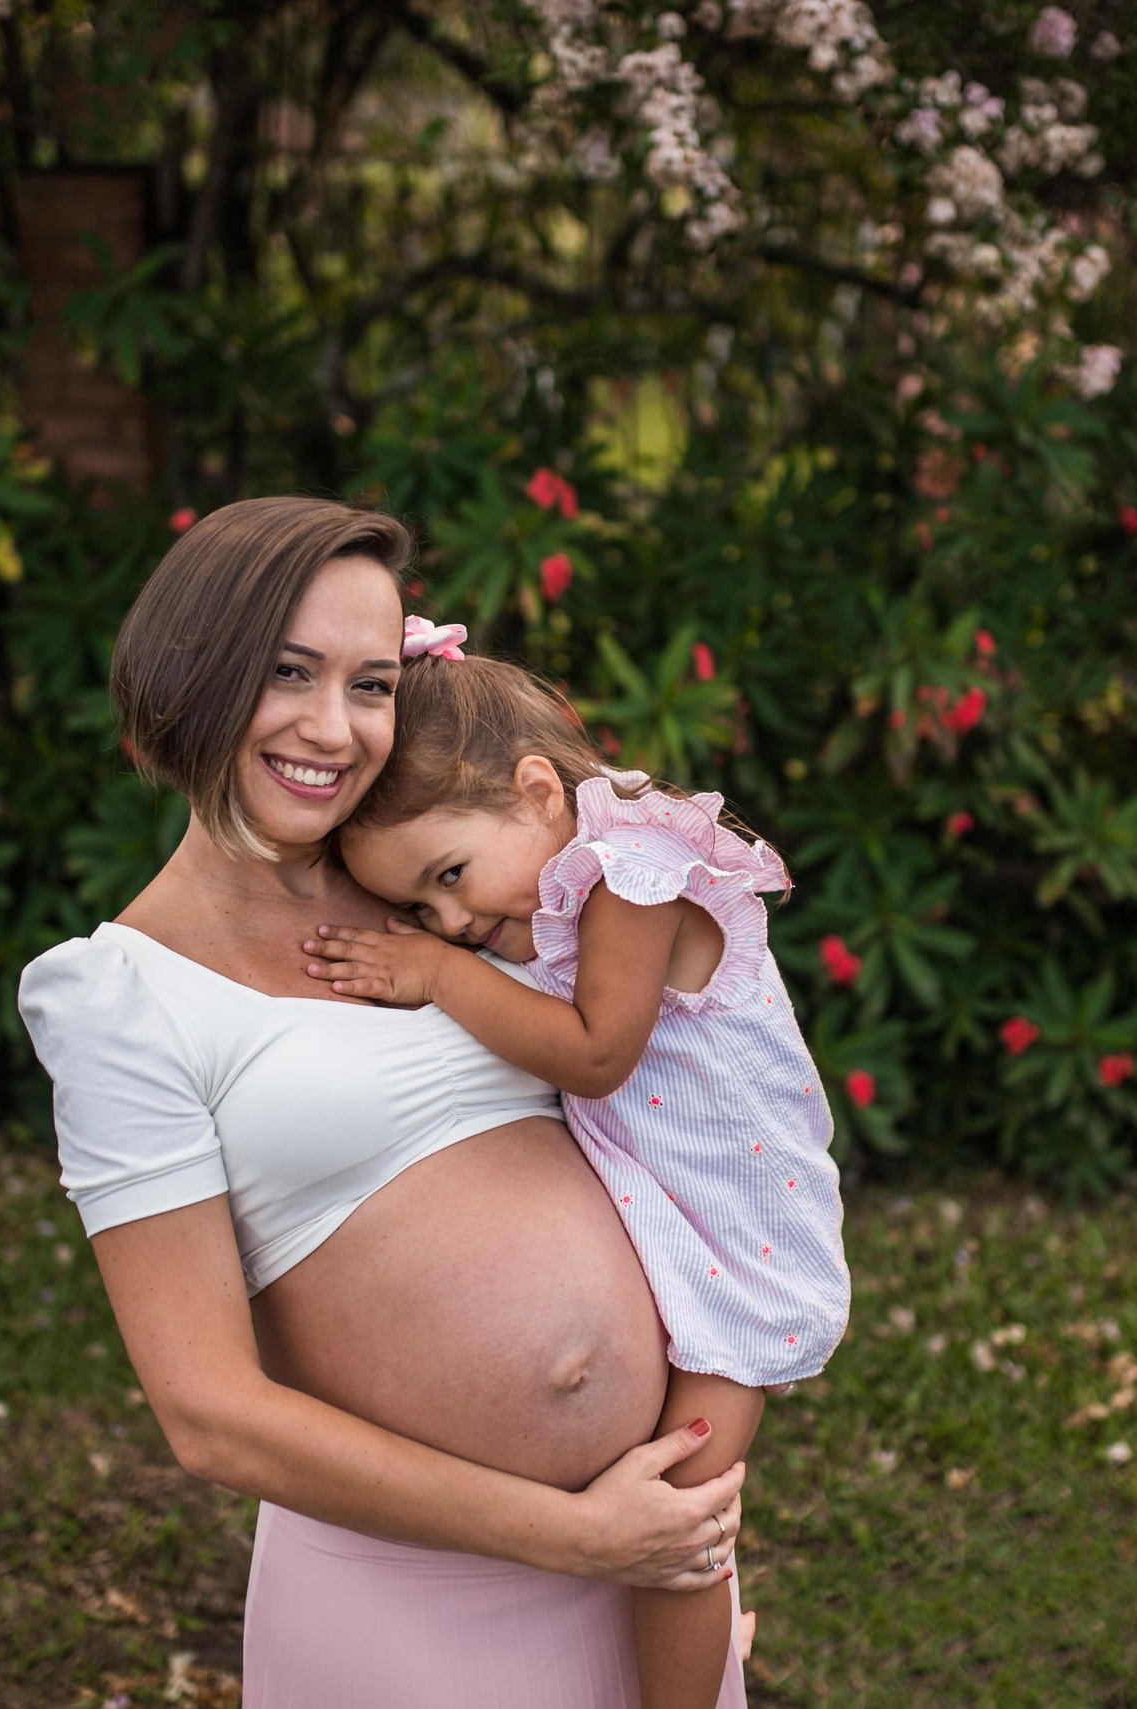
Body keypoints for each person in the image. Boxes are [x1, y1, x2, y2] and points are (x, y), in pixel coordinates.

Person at [16, 496, 750, 1709]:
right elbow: (211, 1415)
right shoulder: (120, 995)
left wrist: (667, 1547)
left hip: (650, 1556)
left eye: (370, 682)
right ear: (193, 672)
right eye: (288, 673)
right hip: (418, 1604)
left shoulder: (455, 886)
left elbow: (669, 1095)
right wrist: (576, 1533)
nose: (333, 726)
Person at [302, 637, 848, 1709]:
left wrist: (435, 973)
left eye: (449, 876)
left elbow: (599, 1049)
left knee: (682, 1514)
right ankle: (692, 1635)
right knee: (669, 1508)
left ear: (537, 787)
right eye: (421, 907)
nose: (453, 921)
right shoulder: (544, 886)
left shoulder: (632, 875)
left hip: (737, 1235)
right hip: (666, 1208)